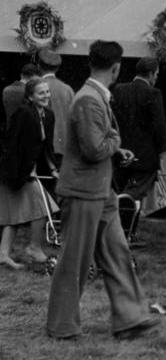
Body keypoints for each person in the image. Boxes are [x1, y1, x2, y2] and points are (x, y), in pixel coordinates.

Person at [46, 40, 159, 340]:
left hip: (99, 191)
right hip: (83, 192)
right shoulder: (88, 100)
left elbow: (97, 145)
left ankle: (131, 318)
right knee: (75, 261)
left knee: (117, 253)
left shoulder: (95, 96)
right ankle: (62, 326)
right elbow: (95, 148)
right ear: (117, 67)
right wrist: (113, 142)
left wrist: (114, 149)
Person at [0, 76, 59, 268]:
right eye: (41, 93)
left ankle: (3, 254)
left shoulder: (48, 115)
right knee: (42, 206)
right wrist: (20, 174)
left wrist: (53, 169)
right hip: (16, 171)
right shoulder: (23, 113)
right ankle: (33, 247)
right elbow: (12, 143)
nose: (46, 96)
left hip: (30, 171)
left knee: (15, 215)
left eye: (47, 92)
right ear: (31, 97)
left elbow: (46, 146)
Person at [111, 56, 166, 243]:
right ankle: (127, 234)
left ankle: (122, 233)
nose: (156, 78)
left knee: (123, 193)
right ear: (151, 74)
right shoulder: (153, 93)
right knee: (133, 196)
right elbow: (159, 126)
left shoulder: (119, 90)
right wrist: (162, 148)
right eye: (157, 74)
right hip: (145, 155)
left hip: (121, 151)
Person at [37, 48, 74, 170]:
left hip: (43, 149)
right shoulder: (68, 89)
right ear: (57, 68)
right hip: (65, 148)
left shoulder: (36, 88)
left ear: (39, 66)